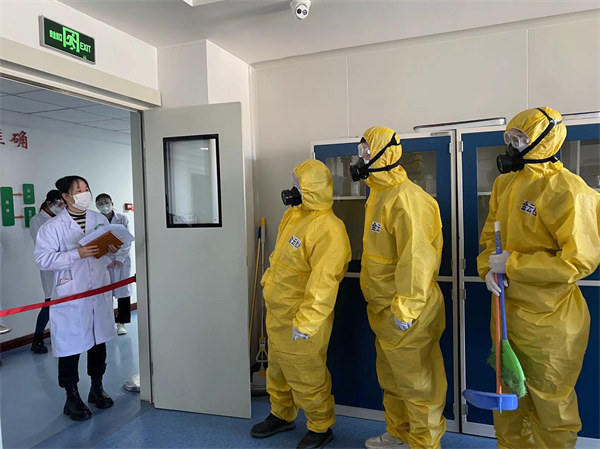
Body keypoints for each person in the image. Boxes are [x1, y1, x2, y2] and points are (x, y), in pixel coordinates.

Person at [477, 107, 600, 449]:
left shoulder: (570, 191)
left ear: (546, 140)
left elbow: (579, 260)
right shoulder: (504, 184)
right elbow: (490, 238)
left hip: (551, 320)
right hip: (507, 312)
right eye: (510, 137)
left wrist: (513, 264)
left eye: (521, 138)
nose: (513, 144)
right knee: (510, 395)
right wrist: (488, 268)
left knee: (550, 402)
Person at [351, 126, 447, 449]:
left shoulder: (407, 199)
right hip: (383, 310)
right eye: (361, 151)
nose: (361, 157)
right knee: (392, 378)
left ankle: (424, 443)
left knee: (418, 383)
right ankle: (399, 434)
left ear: (384, 154)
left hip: (408, 312)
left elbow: (417, 258)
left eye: (367, 151)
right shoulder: (377, 195)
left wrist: (407, 306)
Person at [251, 159, 351, 449]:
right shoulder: (293, 216)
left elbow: (324, 282)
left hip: (301, 318)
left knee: (306, 373)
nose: (293, 188)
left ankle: (320, 426)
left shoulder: (330, 229)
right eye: (294, 182)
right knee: (277, 369)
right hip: (278, 312)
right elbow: (279, 260)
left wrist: (307, 322)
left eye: (299, 184)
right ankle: (281, 414)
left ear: (313, 188)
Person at [34, 175, 120, 421]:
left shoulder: (98, 219)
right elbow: (43, 260)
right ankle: (71, 397)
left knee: (98, 341)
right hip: (71, 294)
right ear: (66, 196)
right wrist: (76, 254)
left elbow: (102, 255)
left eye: (86, 189)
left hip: (97, 290)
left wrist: (111, 249)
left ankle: (96, 387)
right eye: (79, 190)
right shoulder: (52, 227)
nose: (85, 194)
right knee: (70, 346)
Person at [29, 190, 65, 354]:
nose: (61, 207)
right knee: (50, 301)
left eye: (63, 204)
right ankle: (37, 339)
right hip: (50, 267)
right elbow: (44, 244)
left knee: (63, 301)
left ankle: (60, 335)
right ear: (49, 203)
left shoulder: (61, 217)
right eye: (58, 204)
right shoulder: (37, 220)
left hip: (65, 265)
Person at [95, 193, 132, 336]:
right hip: (105, 261)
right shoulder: (96, 221)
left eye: (106, 202)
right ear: (97, 206)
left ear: (112, 203)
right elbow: (95, 243)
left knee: (123, 292)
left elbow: (128, 240)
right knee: (106, 293)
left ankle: (121, 322)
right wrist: (107, 260)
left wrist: (120, 258)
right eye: (100, 203)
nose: (104, 205)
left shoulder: (122, 218)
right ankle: (109, 321)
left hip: (122, 260)